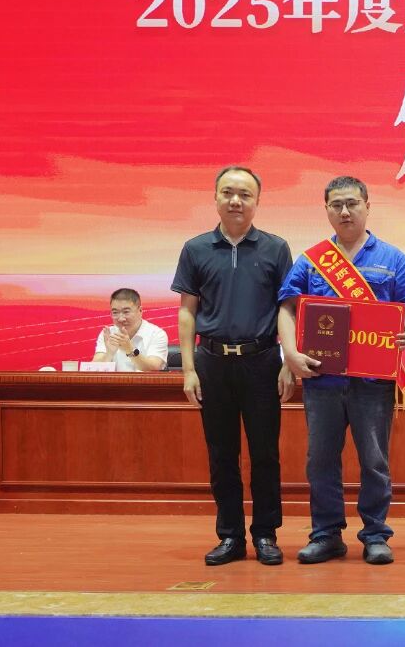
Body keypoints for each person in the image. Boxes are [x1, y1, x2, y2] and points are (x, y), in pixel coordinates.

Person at [277, 176, 405, 566]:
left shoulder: (393, 259)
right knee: (320, 461)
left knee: (374, 461)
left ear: (367, 206)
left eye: (352, 203)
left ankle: (376, 535)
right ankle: (326, 535)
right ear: (327, 210)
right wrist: (290, 354)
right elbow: (287, 307)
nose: (345, 211)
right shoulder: (312, 260)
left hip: (372, 381)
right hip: (322, 379)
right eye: (336, 205)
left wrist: (404, 325)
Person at [172, 166, 294, 566]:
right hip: (212, 363)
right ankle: (230, 536)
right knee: (221, 454)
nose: (236, 201)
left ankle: (266, 534)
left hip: (262, 362)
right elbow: (187, 312)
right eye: (228, 193)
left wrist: (288, 361)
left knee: (265, 454)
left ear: (257, 201)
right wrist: (188, 369)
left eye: (244, 194)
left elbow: (287, 308)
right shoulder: (196, 249)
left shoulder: (276, 248)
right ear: (216, 198)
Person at [93, 288, 169, 371]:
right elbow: (93, 370)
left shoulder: (156, 334)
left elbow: (154, 368)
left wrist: (130, 350)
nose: (121, 319)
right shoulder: (108, 334)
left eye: (126, 312)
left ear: (140, 311)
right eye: (115, 313)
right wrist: (109, 354)